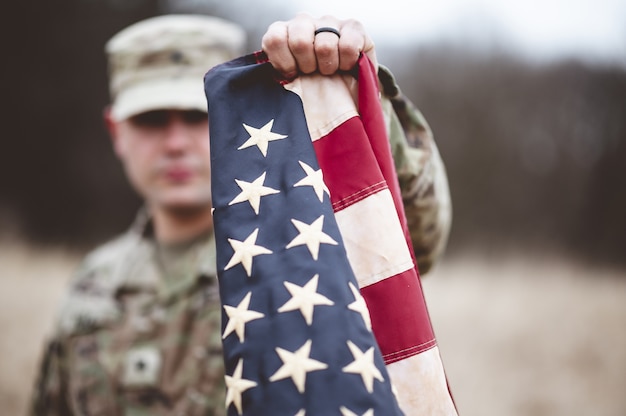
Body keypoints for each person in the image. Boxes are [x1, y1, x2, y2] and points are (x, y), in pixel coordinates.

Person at [30, 12, 452, 416]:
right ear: (115, 131)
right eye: (151, 119)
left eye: (198, 116)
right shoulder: (91, 285)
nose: (175, 142)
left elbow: (417, 235)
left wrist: (356, 98)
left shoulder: (306, 244)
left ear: (234, 118)